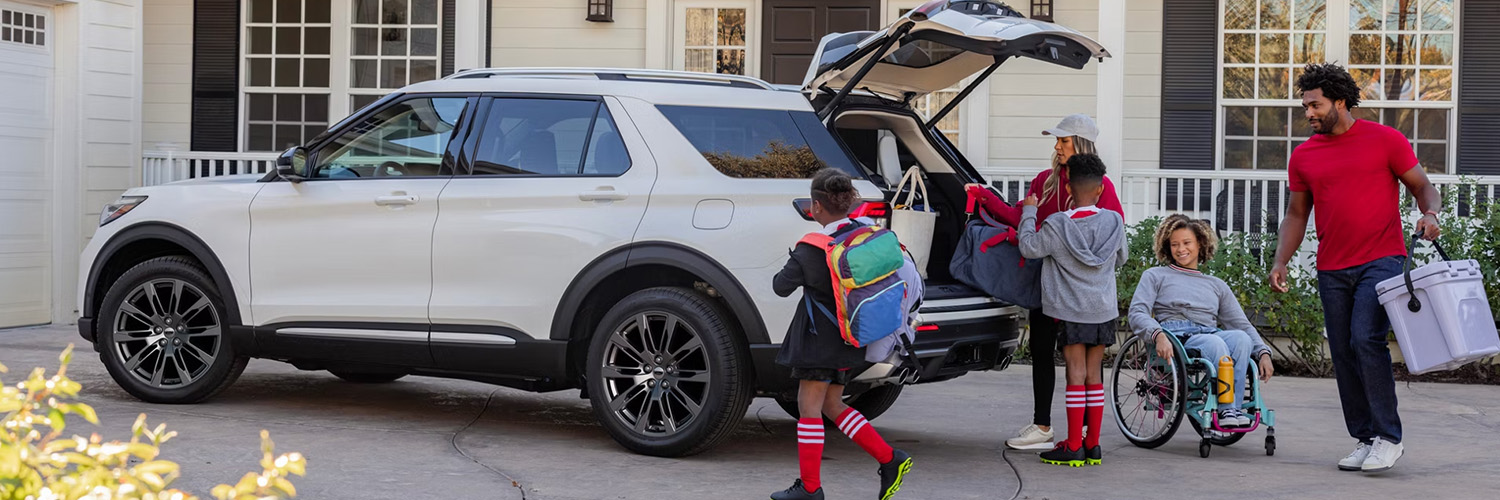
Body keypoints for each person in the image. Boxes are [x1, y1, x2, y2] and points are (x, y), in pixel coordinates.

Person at [1269, 63, 1442, 474]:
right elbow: (1296, 214)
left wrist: (1431, 213)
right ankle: (1365, 438)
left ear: (1340, 102)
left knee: (1366, 339)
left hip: (1382, 259)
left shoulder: (1385, 140)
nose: (1308, 113)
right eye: (1305, 105)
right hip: (1332, 267)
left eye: (1315, 105)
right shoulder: (1304, 155)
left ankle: (1389, 437)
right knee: (1344, 351)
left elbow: (1422, 185)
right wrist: (1280, 260)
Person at [964, 114, 1124, 451]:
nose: (1056, 146)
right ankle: (1045, 427)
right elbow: (1019, 213)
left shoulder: (1101, 186)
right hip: (1048, 287)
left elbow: (1102, 237)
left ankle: (1078, 437)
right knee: (1042, 352)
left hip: (1077, 294)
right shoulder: (1045, 180)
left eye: (1063, 141)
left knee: (1076, 370)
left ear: (1080, 143)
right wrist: (984, 197)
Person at [770, 168, 914, 500]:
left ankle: (810, 488)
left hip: (818, 342)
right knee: (832, 405)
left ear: (816, 207)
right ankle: (890, 459)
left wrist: (794, 260)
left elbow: (780, 287)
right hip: (853, 336)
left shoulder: (811, 248)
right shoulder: (861, 236)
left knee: (809, 407)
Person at [1016, 154, 1126, 467]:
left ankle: (1073, 445)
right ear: (1101, 189)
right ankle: (1093, 445)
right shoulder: (1114, 222)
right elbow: (1121, 258)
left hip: (1072, 311)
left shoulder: (1056, 226)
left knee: (1075, 375)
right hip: (1103, 311)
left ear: (1068, 188)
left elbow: (1028, 247)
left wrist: (1029, 212)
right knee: (1094, 376)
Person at [1128, 214, 1275, 431]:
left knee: (1241, 338)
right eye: (1174, 244)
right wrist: (1157, 334)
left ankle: (1232, 409)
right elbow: (1137, 312)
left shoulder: (1216, 285)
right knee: (1215, 344)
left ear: (1200, 244)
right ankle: (1226, 410)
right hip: (1176, 336)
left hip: (1209, 332)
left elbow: (1241, 324)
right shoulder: (1155, 276)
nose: (1180, 249)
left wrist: (1263, 352)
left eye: (1186, 243)